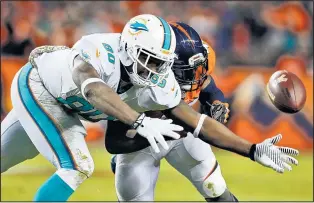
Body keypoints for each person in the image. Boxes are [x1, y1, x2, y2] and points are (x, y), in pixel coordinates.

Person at [105, 22, 299, 201]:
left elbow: (208, 87)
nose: (193, 79)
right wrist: (154, 132)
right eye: (185, 72)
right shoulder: (134, 86)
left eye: (195, 71)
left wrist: (217, 103)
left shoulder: (193, 71)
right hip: (140, 148)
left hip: (183, 135)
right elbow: (114, 142)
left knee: (214, 186)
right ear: (161, 65)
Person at [1, 14, 184, 201]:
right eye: (147, 58)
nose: (152, 69)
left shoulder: (160, 86)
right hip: (39, 86)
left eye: (159, 63)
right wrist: (140, 122)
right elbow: (93, 90)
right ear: (128, 49)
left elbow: (182, 120)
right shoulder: (101, 50)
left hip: (66, 108)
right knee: (76, 166)